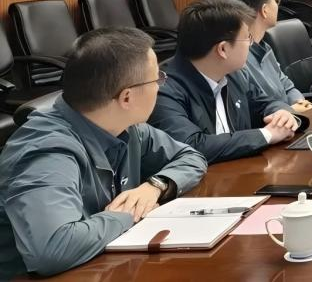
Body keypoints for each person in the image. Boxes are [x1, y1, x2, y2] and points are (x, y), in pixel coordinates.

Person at [0, 28, 207, 278]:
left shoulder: (125, 125)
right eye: (157, 80)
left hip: (101, 264)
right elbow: (52, 249)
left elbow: (191, 157)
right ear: (127, 97)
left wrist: (155, 186)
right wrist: (129, 214)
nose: (161, 86)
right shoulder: (45, 151)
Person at [148, 0, 308, 163]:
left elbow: (266, 104)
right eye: (247, 38)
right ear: (223, 49)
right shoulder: (163, 89)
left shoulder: (234, 74)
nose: (251, 44)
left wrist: (283, 114)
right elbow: (191, 146)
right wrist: (267, 135)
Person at [217, 0, 312, 112]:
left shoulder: (264, 46)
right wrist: (290, 111)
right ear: (265, 10)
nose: (278, 4)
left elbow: (287, 86)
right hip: (273, 120)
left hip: (290, 116)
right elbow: (256, 107)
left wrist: (300, 104)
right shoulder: (237, 58)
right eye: (276, 0)